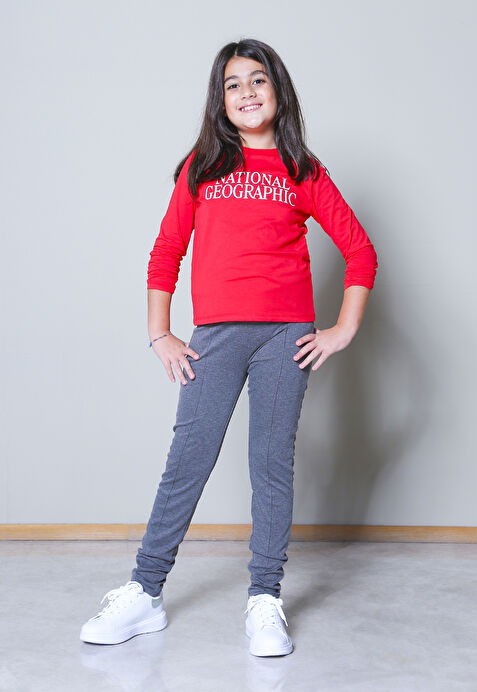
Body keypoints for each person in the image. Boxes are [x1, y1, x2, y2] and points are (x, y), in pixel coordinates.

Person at [80, 37, 378, 657]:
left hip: (285, 338)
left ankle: (264, 599)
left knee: (271, 465)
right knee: (188, 460)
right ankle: (145, 592)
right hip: (214, 337)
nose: (246, 92)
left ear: (278, 90)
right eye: (232, 84)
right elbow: (166, 251)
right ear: (220, 100)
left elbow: (360, 251)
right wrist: (160, 332)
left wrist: (343, 328)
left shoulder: (301, 168)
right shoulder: (205, 165)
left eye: (257, 79)